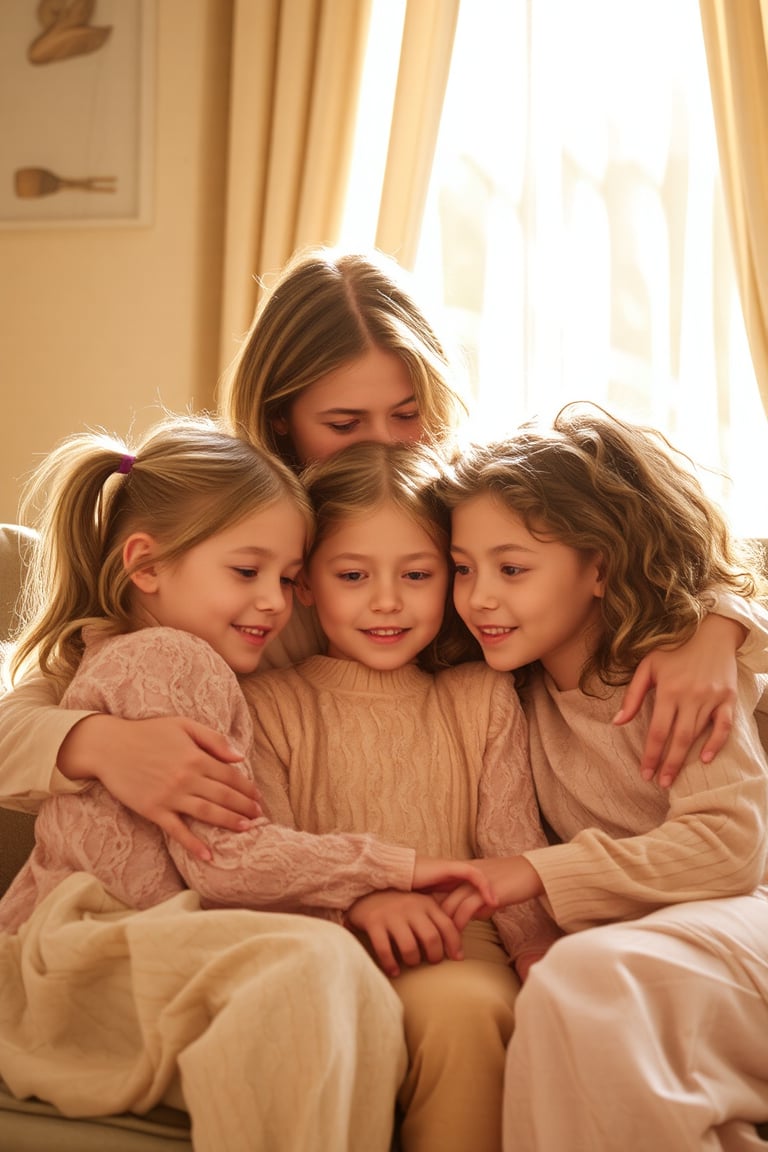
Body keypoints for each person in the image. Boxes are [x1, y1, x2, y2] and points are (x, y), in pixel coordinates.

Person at [0, 246, 758, 858]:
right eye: (344, 423)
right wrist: (97, 743)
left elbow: (634, 556)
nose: (385, 445)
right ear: (281, 422)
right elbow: (25, 715)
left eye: (407, 415)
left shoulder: (468, 523)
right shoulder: (225, 555)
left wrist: (716, 627)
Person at [0, 414, 495, 1152]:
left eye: (290, 579)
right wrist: (395, 869)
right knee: (316, 968)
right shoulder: (173, 658)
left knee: (327, 968)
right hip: (93, 944)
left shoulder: (201, 652)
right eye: (248, 574)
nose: (274, 601)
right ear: (146, 565)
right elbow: (230, 860)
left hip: (149, 931)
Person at [437, 402, 768, 1151]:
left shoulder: (669, 675)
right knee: (571, 994)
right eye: (463, 568)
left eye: (513, 568)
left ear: (599, 567)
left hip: (749, 917)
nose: (479, 595)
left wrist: (531, 872)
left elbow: (730, 849)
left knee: (587, 978)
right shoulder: (512, 694)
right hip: (657, 945)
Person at [239, 439, 560, 1152]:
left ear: (450, 579)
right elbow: (264, 851)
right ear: (304, 585)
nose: (387, 600)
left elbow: (514, 846)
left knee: (466, 1011)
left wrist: (540, 947)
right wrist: (361, 896)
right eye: (352, 574)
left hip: (456, 944)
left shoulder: (480, 698)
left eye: (417, 574)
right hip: (318, 939)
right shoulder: (268, 703)